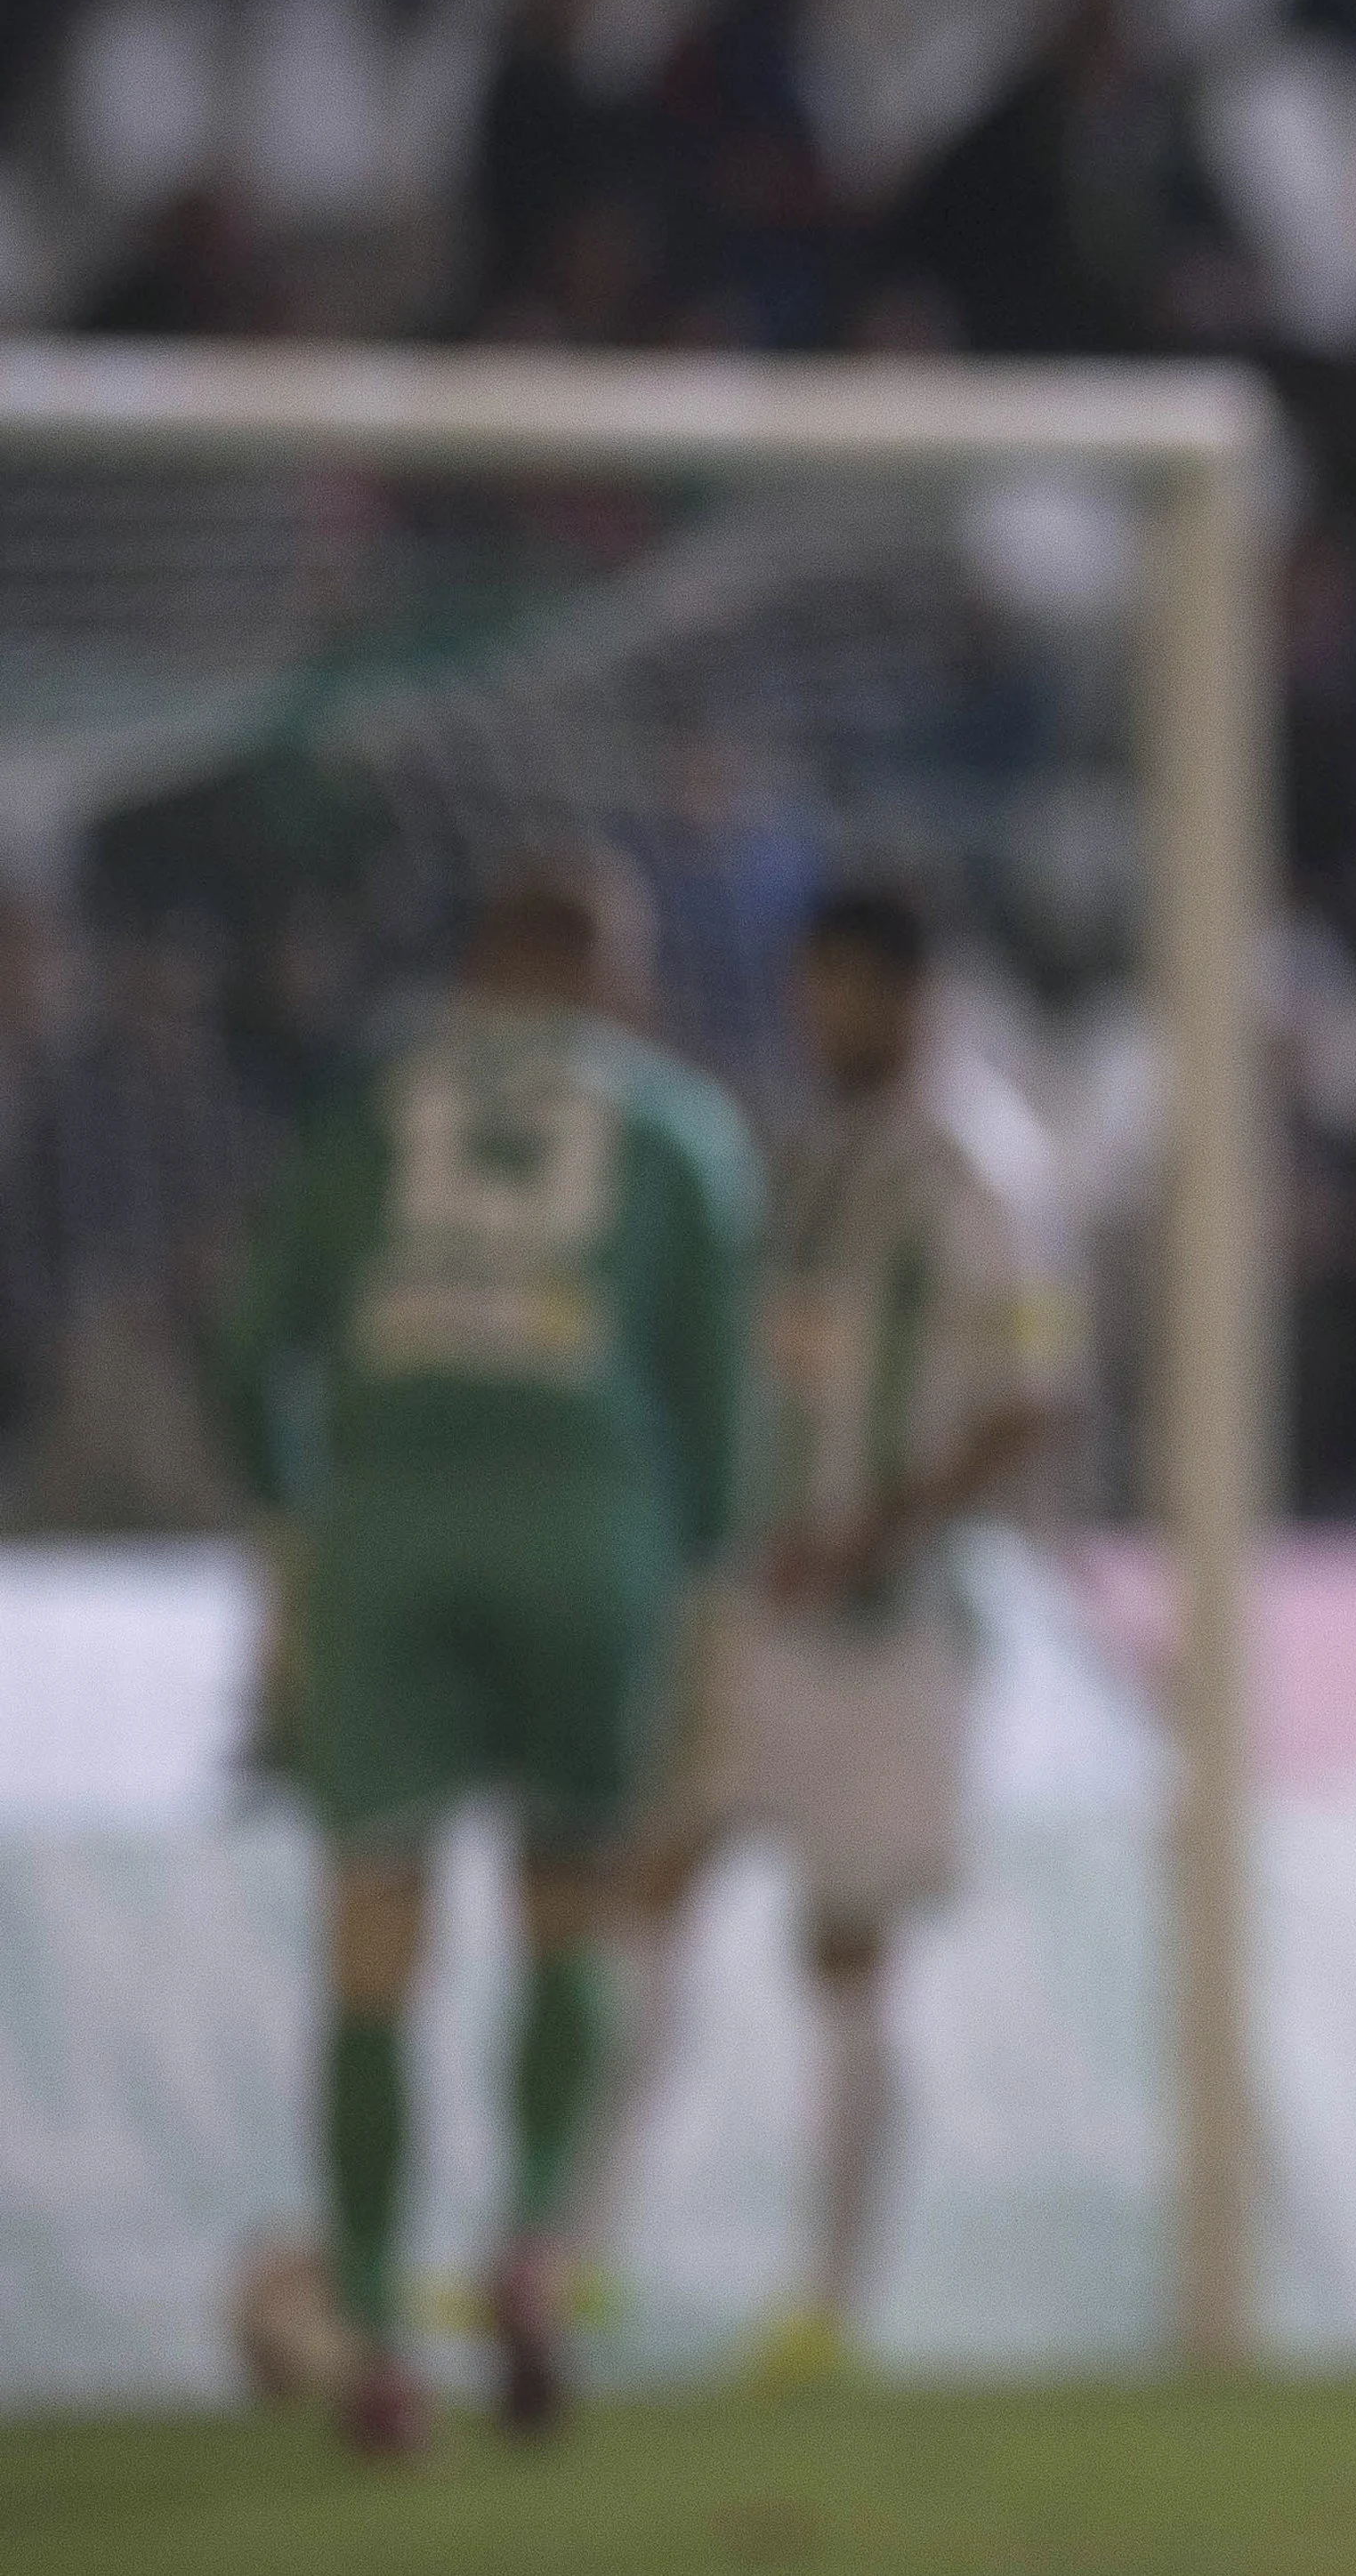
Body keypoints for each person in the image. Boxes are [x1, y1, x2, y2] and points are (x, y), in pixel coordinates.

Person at [208, 857, 758, 2459]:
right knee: (569, 1896)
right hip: (586, 1528)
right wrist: (706, 1592)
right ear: (607, 975)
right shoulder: (674, 1127)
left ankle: (378, 2335)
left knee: (373, 1933)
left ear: (475, 965)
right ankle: (528, 2243)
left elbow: (255, 1349)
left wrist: (287, 1529)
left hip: (388, 1524)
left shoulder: (371, 1104)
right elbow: (716, 1401)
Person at [573, 882, 1071, 2390]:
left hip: (885, 1620)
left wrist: (878, 1530)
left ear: (911, 993)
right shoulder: (799, 1154)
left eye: (844, 988)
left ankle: (827, 2306)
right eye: (808, 987)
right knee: (650, 1886)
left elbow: (1037, 1397)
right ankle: (573, 2250)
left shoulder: (980, 1165)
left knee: (841, 1950)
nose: (816, 1016)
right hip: (753, 1599)